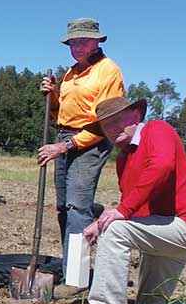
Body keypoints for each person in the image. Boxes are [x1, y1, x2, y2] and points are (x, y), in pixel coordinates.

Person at [64, 96, 186, 304]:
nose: (112, 130)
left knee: (116, 230)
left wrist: (119, 213)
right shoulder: (123, 160)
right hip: (162, 231)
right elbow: (134, 205)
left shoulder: (157, 129)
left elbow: (161, 166)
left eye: (116, 121)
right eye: (106, 126)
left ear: (136, 115)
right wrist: (99, 222)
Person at [38, 18, 125, 265]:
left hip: (91, 140)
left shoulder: (109, 71)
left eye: (83, 41)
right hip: (64, 137)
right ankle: (72, 261)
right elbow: (60, 113)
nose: (76, 46)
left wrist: (64, 146)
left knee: (76, 207)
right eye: (72, 42)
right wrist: (53, 95)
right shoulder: (70, 73)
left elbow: (107, 120)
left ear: (97, 41)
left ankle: (76, 280)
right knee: (64, 207)